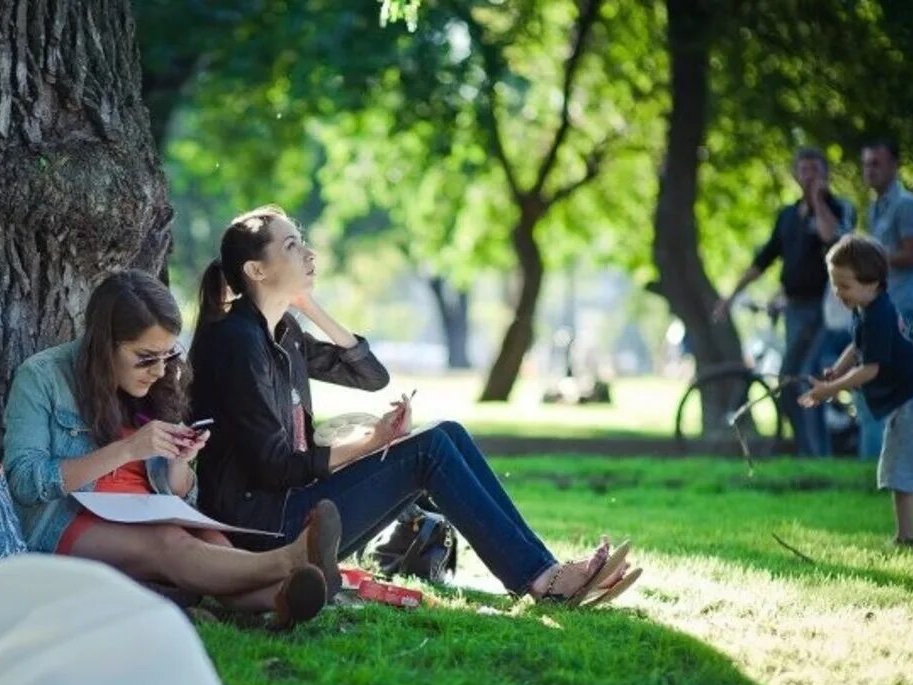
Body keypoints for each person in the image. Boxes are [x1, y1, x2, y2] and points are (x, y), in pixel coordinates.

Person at [188, 205, 639, 606]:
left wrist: (312, 308)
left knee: (448, 433)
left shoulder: (283, 335)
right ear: (257, 270)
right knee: (429, 449)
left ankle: (546, 570)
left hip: (292, 506)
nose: (309, 254)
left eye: (303, 242)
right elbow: (275, 468)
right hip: (264, 530)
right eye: (291, 246)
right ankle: (545, 580)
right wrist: (372, 442)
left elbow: (371, 376)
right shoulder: (238, 342)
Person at [2, 270, 342, 626]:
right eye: (146, 357)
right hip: (67, 519)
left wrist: (181, 463)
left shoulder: (158, 383)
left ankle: (282, 600)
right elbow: (24, 482)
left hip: (146, 512)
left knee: (210, 540)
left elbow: (178, 492)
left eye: (166, 356)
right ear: (105, 344)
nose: (158, 370)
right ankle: (291, 560)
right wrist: (126, 450)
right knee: (169, 543)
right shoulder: (42, 377)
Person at [713, 147, 856, 457]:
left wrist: (818, 200)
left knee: (803, 377)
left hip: (826, 312)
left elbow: (835, 241)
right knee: (793, 382)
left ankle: (819, 455)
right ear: (795, 174)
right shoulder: (787, 216)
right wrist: (730, 296)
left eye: (815, 170)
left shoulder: (838, 208)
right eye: (803, 170)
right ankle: (811, 452)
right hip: (795, 310)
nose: (809, 176)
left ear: (825, 174)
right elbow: (763, 260)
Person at [800, 235, 913, 546]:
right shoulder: (869, 309)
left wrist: (830, 387)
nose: (838, 292)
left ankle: (906, 538)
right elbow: (857, 346)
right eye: (835, 284)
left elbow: (871, 369)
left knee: (900, 471)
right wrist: (839, 370)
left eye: (844, 285)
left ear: (872, 283)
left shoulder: (879, 316)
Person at [856, 138, 913, 459]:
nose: (870, 170)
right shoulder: (876, 206)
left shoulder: (906, 205)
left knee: (876, 382)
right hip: (884, 305)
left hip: (900, 306)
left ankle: (878, 460)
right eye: (866, 163)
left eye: (877, 163)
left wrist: (872, 255)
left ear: (894, 165)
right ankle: (888, 459)